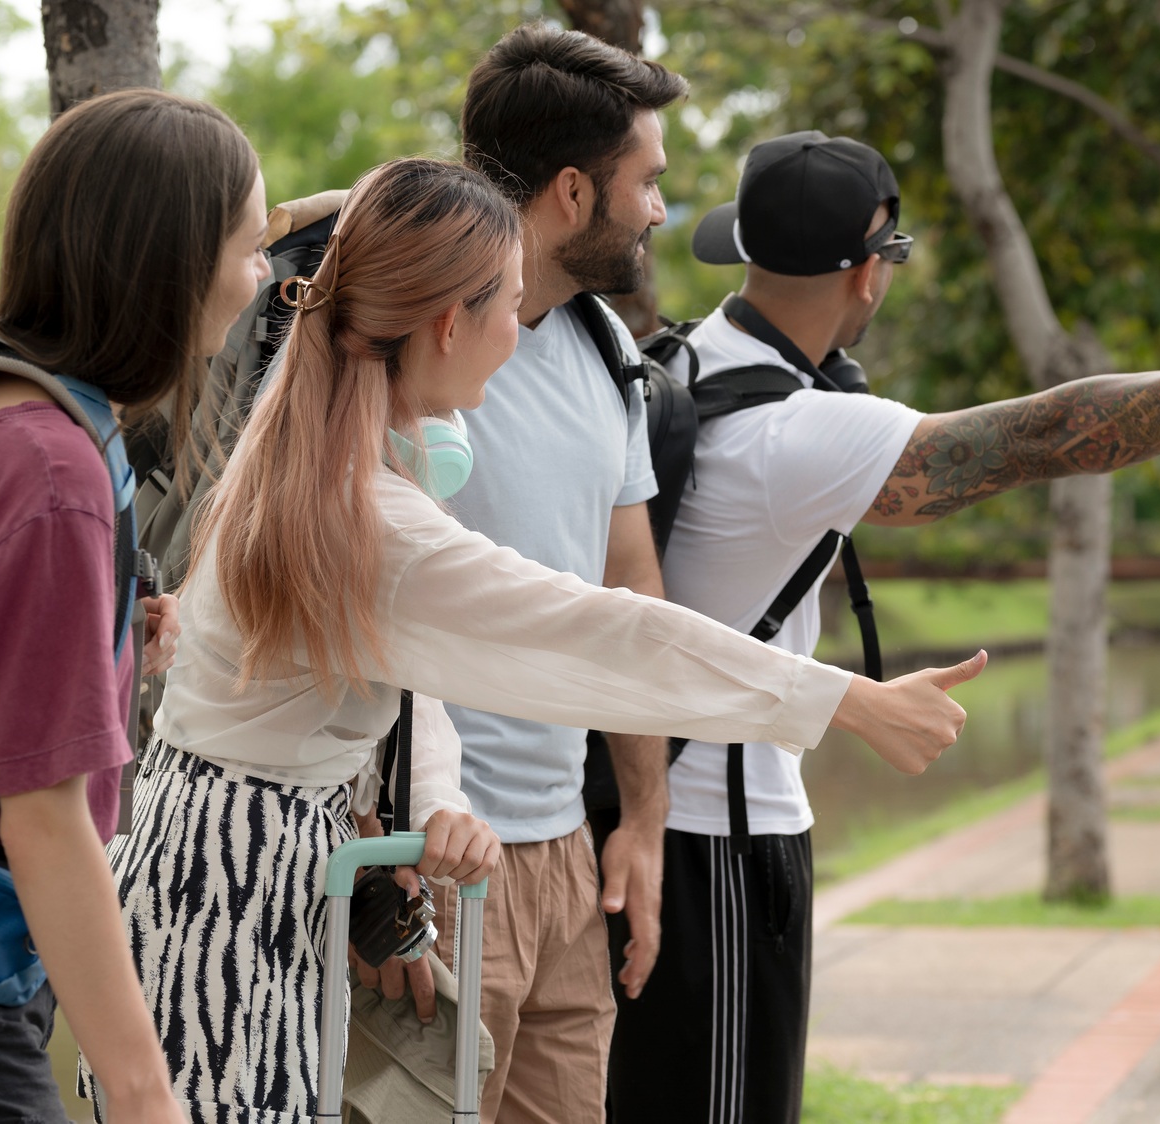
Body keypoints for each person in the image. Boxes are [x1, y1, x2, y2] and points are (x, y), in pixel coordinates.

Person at [88, 154, 983, 1124]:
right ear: (444, 324)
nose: (518, 336)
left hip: (215, 871)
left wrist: (431, 793)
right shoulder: (373, 520)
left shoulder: (305, 453)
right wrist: (842, 698)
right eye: (510, 308)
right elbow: (604, 632)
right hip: (237, 903)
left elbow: (405, 665)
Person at [606, 131, 1160, 1123]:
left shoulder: (690, 356)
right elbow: (1047, 434)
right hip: (722, 847)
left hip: (639, 811)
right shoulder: (800, 431)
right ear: (866, 274)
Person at [352, 26, 685, 1124]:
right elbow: (343, 602)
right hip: (433, 856)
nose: (658, 212)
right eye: (647, 182)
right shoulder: (400, 342)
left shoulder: (602, 349)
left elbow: (626, 590)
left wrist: (641, 813)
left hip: (561, 853)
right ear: (575, 190)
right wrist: (378, 860)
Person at [0, 87, 254, 1124]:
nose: (259, 280)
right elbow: (50, 821)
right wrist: (146, 1093)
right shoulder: (53, 470)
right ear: (173, 264)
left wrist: (102, 635)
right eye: (247, 248)